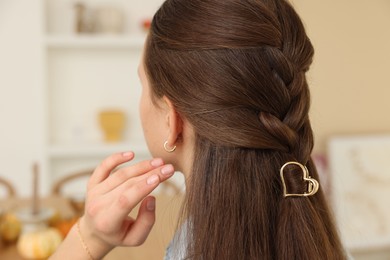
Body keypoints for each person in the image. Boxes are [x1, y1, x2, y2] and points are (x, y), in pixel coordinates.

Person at [51, 0, 348, 259]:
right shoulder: (324, 242)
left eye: (142, 84)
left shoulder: (192, 247)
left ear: (172, 120)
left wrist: (90, 238)